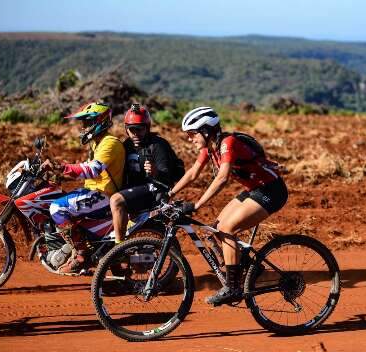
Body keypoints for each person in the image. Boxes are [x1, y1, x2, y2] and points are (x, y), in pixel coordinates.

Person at [169, 106, 288, 306]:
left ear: (206, 131)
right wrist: (170, 193)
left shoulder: (227, 143)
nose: (190, 139)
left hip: (271, 191)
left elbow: (222, 178)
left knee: (227, 229)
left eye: (192, 134)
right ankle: (252, 269)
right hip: (254, 190)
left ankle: (232, 288)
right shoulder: (210, 147)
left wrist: (197, 204)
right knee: (213, 230)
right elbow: (193, 172)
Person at [45, 102, 125, 275]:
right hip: (93, 191)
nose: (83, 127)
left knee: (57, 207)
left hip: (104, 195)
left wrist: (62, 167)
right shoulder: (96, 143)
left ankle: (81, 254)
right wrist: (58, 174)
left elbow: (92, 169)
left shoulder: (109, 143)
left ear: (100, 121)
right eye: (83, 123)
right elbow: (85, 167)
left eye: (87, 122)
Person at [109, 104, 183, 243]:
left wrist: (156, 172)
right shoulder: (127, 146)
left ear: (147, 127)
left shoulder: (158, 145)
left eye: (140, 129)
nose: (135, 133)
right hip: (135, 190)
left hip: (154, 190)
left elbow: (168, 177)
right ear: (126, 129)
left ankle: (119, 248)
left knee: (116, 201)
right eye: (131, 129)